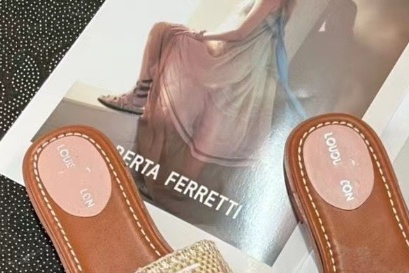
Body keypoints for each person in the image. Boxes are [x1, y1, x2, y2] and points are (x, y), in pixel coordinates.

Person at [98, 0, 305, 167]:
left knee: (163, 30)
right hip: (237, 65)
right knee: (201, 132)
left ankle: (138, 95)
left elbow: (240, 33)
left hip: (226, 62)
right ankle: (140, 95)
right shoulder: (287, 4)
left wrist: (202, 35)